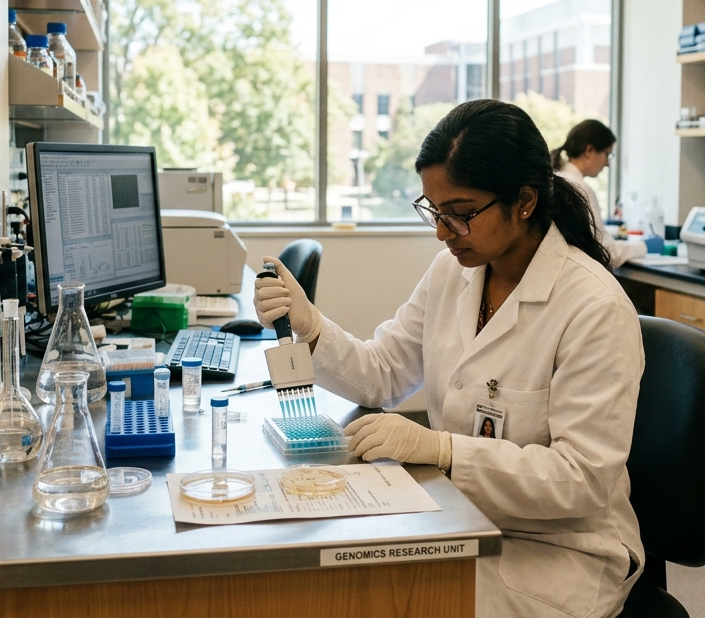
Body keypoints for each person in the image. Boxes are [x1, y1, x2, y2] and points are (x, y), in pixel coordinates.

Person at [256, 100, 645, 618]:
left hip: (557, 553)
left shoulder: (593, 307)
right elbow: (383, 373)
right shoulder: (452, 272)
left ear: (524, 201)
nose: (442, 231)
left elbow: (580, 482)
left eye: (460, 214)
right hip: (460, 520)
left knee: (379, 601)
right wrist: (312, 328)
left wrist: (442, 450)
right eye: (434, 211)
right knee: (328, 574)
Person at [552, 119, 646, 269]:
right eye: (607, 154)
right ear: (589, 151)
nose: (607, 163)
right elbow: (608, 253)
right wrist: (644, 246)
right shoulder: (579, 188)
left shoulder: (557, 177)